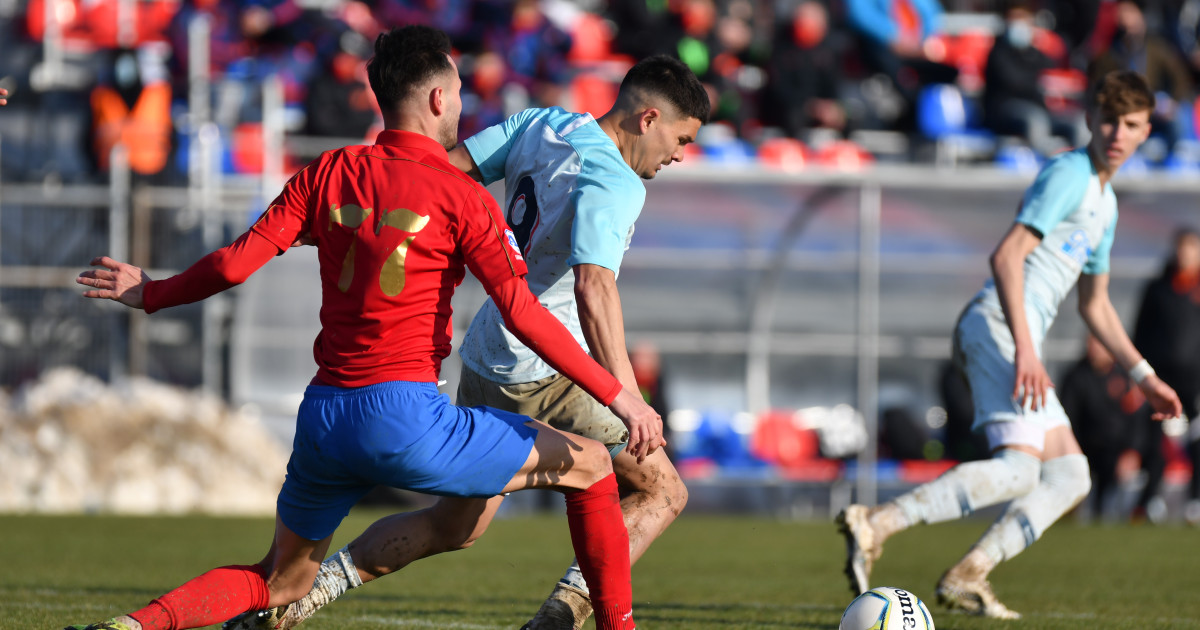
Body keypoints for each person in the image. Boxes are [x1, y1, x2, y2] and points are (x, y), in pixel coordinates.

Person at [65, 25, 664, 630]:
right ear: (437, 100)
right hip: (404, 415)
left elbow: (234, 262)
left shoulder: (327, 171)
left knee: (280, 579)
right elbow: (524, 313)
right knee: (588, 465)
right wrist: (622, 397)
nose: (459, 105)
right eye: (456, 93)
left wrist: (153, 293)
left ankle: (133, 626)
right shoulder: (462, 197)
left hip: (324, 415)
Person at [223, 53, 709, 630]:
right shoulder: (618, 181)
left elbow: (441, 172)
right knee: (663, 491)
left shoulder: (538, 124)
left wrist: (365, 229)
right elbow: (594, 287)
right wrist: (627, 397)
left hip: (488, 353)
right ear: (648, 118)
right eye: (680, 138)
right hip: (552, 369)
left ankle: (299, 599)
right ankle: (562, 618)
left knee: (458, 525)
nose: (680, 154)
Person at [836, 70, 1182, 619]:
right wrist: (1026, 349)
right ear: (1091, 118)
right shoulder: (1070, 172)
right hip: (998, 326)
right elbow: (1006, 256)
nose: (1118, 132)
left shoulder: (1105, 203)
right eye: (1110, 119)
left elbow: (1095, 305)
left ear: (1146, 133)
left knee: (1070, 475)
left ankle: (968, 574)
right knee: (1022, 471)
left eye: (1132, 124)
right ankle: (877, 523)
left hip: (1012, 333)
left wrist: (1145, 377)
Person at [1133, 227, 1200, 523]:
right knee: (1155, 441)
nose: (1184, 253)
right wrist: (1140, 374)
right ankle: (1150, 502)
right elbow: (1141, 332)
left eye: (1191, 248)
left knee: (1197, 440)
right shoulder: (1157, 288)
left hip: (1195, 380)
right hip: (1161, 378)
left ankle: (1195, 501)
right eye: (1181, 247)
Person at [1059, 333, 1148, 519]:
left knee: (1155, 456)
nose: (1094, 348)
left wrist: (1132, 450)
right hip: (1083, 447)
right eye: (1091, 343)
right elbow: (1068, 418)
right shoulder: (1075, 376)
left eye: (1099, 343)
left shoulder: (1125, 378)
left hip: (1115, 450)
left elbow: (1136, 418)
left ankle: (1141, 511)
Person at [983, 0, 1088, 156]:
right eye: (1014, 17)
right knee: (1036, 121)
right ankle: (1051, 165)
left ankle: (1083, 163)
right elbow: (1014, 81)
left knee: (1077, 122)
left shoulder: (1035, 53)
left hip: (1039, 107)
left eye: (1023, 18)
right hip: (1006, 109)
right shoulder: (998, 52)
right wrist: (1040, 82)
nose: (1018, 23)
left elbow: (1052, 70)